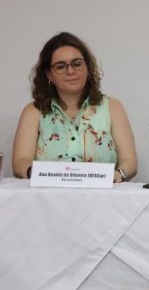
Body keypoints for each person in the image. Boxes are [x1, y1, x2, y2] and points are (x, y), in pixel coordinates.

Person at [12, 32, 137, 183]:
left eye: (77, 64)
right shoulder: (33, 112)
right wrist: (40, 175)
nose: (70, 71)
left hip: (103, 194)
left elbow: (129, 161)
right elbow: (20, 161)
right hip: (48, 194)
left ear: (88, 68)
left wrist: (119, 174)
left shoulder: (112, 107)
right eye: (60, 66)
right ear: (49, 75)